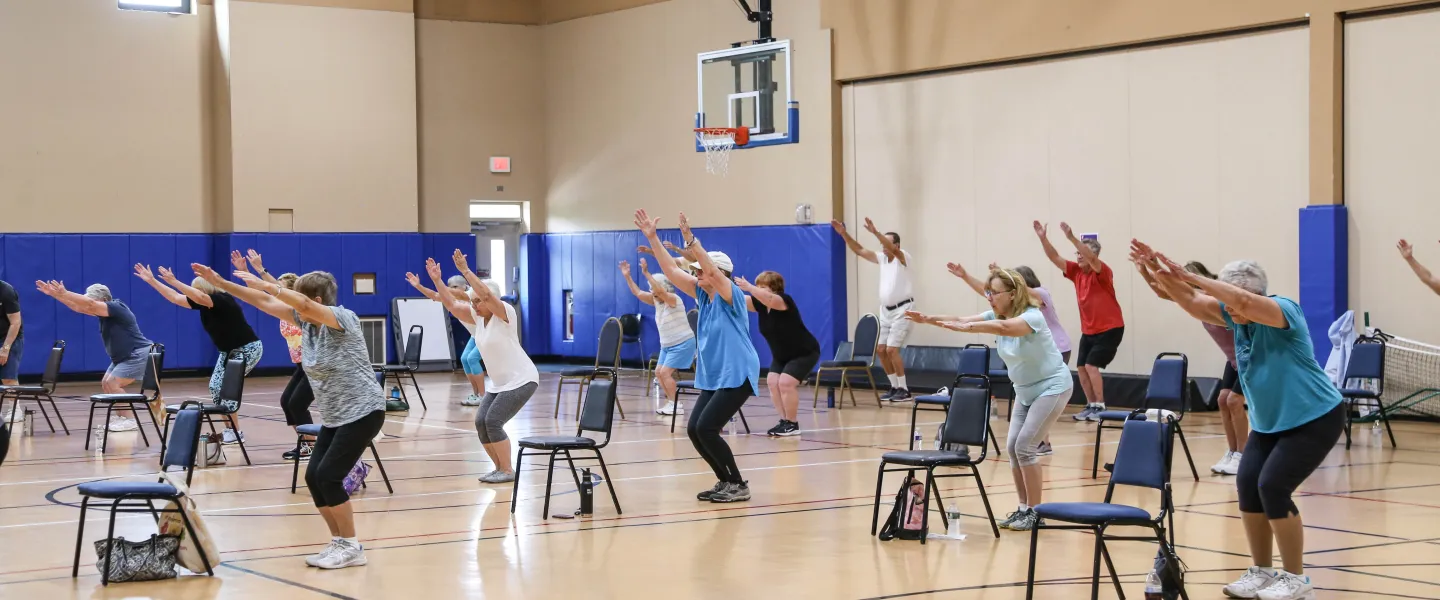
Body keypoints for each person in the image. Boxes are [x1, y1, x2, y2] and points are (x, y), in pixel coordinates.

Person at [1131, 241, 1343, 600]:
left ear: (1256, 293)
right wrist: (1152, 269)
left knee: (1273, 486)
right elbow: (1190, 301)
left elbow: (1241, 302)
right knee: (1248, 484)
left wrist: (1190, 276)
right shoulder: (1235, 315)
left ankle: (1296, 579)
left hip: (1314, 417)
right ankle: (1260, 571)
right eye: (1227, 305)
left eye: (1234, 301)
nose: (1230, 311)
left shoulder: (1282, 311)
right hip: (1269, 421)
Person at [192, 262, 384, 570]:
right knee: (313, 477)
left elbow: (298, 301)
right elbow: (265, 302)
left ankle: (351, 545)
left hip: (364, 411)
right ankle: (339, 542)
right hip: (336, 415)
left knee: (328, 477)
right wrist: (222, 283)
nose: (289, 304)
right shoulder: (306, 322)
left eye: (294, 298)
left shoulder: (342, 319)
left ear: (317, 301)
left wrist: (269, 284)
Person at [905, 268, 1073, 532]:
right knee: (1012, 448)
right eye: (988, 292)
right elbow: (960, 318)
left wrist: (969, 327)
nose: (989, 297)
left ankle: (1036, 513)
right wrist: (928, 319)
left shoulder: (1033, 317)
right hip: (1024, 390)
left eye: (994, 293)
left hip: (1052, 387)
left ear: (1013, 293)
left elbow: (1004, 327)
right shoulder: (995, 315)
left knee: (1026, 447)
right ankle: (1022, 509)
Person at [637, 209, 759, 503]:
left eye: (700, 271)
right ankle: (725, 481)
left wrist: (690, 239)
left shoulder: (730, 295)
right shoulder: (701, 294)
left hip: (737, 370)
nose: (696, 274)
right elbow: (670, 271)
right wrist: (652, 238)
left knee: (707, 427)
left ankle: (738, 484)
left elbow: (712, 271)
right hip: (715, 373)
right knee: (694, 429)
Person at [1134, 258, 1248, 476]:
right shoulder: (1195, 300)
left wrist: (1156, 272)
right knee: (1222, 400)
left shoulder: (1213, 299)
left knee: (1233, 401)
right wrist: (1145, 272)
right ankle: (1233, 452)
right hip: (1233, 360)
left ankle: (1244, 454)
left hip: (1250, 357)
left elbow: (1171, 291)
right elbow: (1163, 292)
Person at [948, 261, 1070, 456]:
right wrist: (966, 277)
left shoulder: (1040, 294)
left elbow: (1004, 297)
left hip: (1056, 348)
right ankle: (1039, 441)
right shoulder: (1009, 305)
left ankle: (1041, 442)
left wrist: (1002, 279)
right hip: (1027, 349)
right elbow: (989, 294)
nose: (993, 296)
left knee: (1045, 394)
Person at [137, 260, 264, 441]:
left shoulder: (222, 300)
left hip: (247, 348)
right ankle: (231, 430)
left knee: (227, 388)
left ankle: (235, 432)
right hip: (228, 351)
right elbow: (175, 297)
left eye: (197, 290)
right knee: (215, 387)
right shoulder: (204, 304)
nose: (194, 295)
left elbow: (199, 297)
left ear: (206, 289)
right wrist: (152, 281)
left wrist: (174, 281)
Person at [444, 251, 539, 484]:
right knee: (480, 422)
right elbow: (453, 306)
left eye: (478, 301)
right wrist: (437, 280)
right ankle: (498, 468)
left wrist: (466, 271)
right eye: (473, 302)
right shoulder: (478, 319)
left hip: (522, 379)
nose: (475, 305)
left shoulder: (505, 313)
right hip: (499, 384)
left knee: (493, 421)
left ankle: (507, 470)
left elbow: (485, 293)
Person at [35, 280, 153, 432]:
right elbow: (79, 307)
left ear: (104, 300)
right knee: (106, 383)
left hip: (137, 353)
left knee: (113, 383)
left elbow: (89, 303)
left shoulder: (117, 307)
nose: (88, 303)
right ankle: (121, 417)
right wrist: (56, 295)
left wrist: (65, 292)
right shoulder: (104, 313)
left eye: (91, 299)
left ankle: (130, 420)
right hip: (123, 356)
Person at [1034, 221, 1124, 421]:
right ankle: (1091, 405)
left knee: (1092, 366)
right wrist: (1043, 238)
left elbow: (1090, 257)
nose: (1079, 255)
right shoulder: (1076, 272)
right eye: (1077, 252)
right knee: (1082, 368)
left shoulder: (1102, 271)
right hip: (1089, 330)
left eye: (1082, 251)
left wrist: (1072, 238)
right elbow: (1054, 257)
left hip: (1110, 328)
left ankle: (1101, 406)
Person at [832, 218, 914, 401]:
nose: (882, 246)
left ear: (897, 245)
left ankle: (905, 389)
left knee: (892, 350)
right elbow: (860, 250)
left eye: (886, 242)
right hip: (886, 311)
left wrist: (875, 232)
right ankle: (894, 387)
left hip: (903, 309)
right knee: (881, 350)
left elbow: (891, 248)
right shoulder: (882, 259)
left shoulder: (903, 257)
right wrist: (843, 234)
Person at [735, 271, 820, 437]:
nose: (759, 289)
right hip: (781, 355)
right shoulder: (759, 304)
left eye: (763, 287)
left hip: (804, 352)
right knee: (772, 381)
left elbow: (770, 300)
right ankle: (784, 421)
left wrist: (750, 287)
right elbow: (734, 298)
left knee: (786, 383)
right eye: (757, 286)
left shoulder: (783, 300)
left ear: (774, 289)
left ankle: (793, 423)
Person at [619, 258, 695, 417]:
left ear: (665, 287)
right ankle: (672, 402)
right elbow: (638, 293)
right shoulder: (656, 300)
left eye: (654, 288)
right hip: (667, 345)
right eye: (651, 289)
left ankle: (676, 405)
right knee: (659, 373)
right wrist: (627, 276)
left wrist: (646, 272)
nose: (652, 292)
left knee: (665, 373)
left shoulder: (673, 299)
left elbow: (659, 291)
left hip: (682, 343)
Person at [405, 270, 485, 406]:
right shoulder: (452, 299)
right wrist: (418, 286)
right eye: (449, 286)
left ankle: (483, 396)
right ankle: (476, 394)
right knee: (465, 359)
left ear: (464, 287)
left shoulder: (471, 296)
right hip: (475, 335)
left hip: (486, 333)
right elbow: (435, 295)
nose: (451, 289)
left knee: (472, 358)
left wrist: (438, 281)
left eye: (454, 287)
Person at [0, 278, 23, 422]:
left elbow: (15, 322)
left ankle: (15, 410)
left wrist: (5, 348)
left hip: (10, 337)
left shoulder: (6, 291)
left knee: (8, 377)